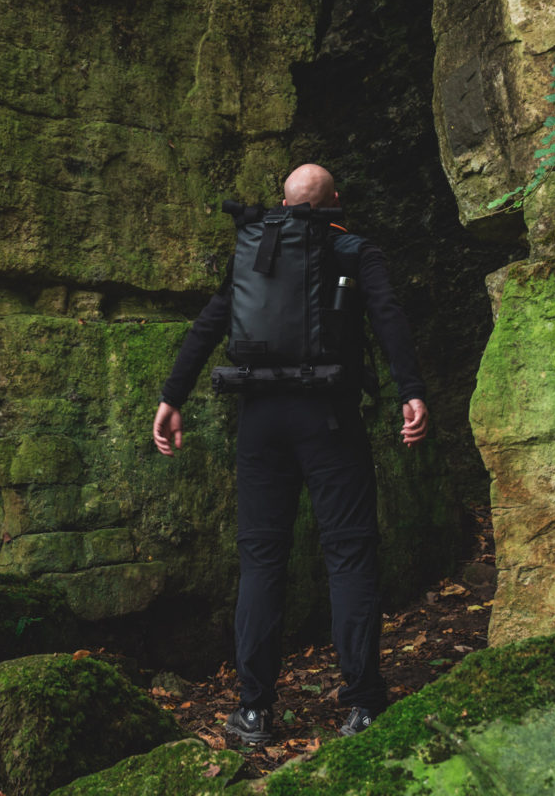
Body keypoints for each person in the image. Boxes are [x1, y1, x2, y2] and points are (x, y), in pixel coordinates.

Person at [152, 164, 428, 743]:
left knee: (260, 561)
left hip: (259, 422)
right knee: (349, 554)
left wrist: (172, 396)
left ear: (282, 202)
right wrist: (412, 392)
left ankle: (253, 710)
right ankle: (362, 705)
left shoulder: (256, 248)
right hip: (327, 419)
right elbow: (389, 319)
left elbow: (212, 320)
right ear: (336, 204)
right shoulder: (354, 250)